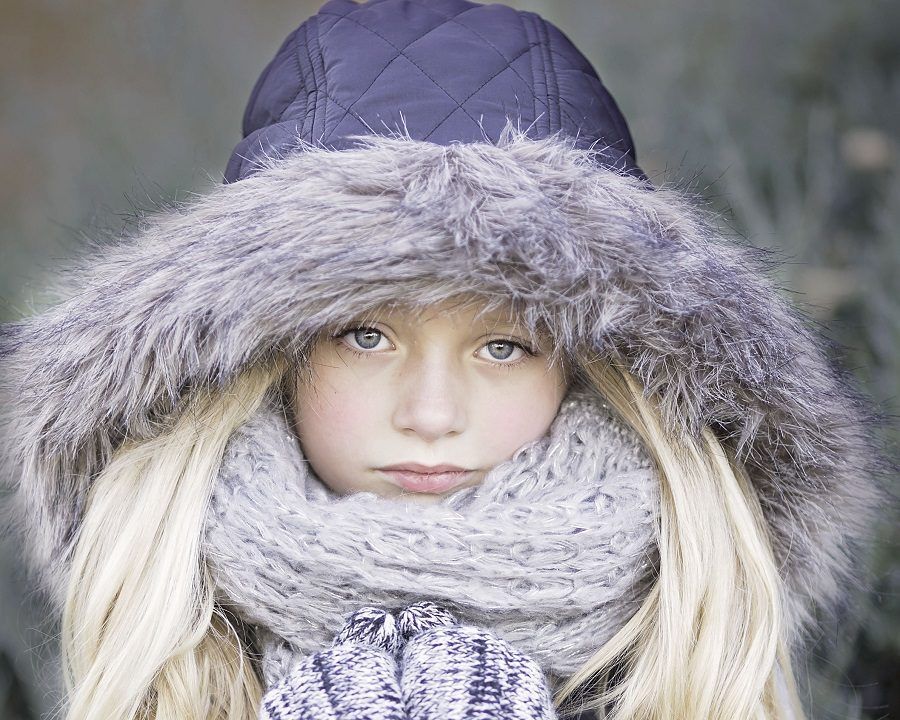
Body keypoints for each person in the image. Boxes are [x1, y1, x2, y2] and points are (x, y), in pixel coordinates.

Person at [0, 0, 891, 718]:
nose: (431, 413)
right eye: (366, 335)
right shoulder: (159, 657)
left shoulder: (703, 669)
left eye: (504, 346)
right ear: (261, 360)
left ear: (593, 376)